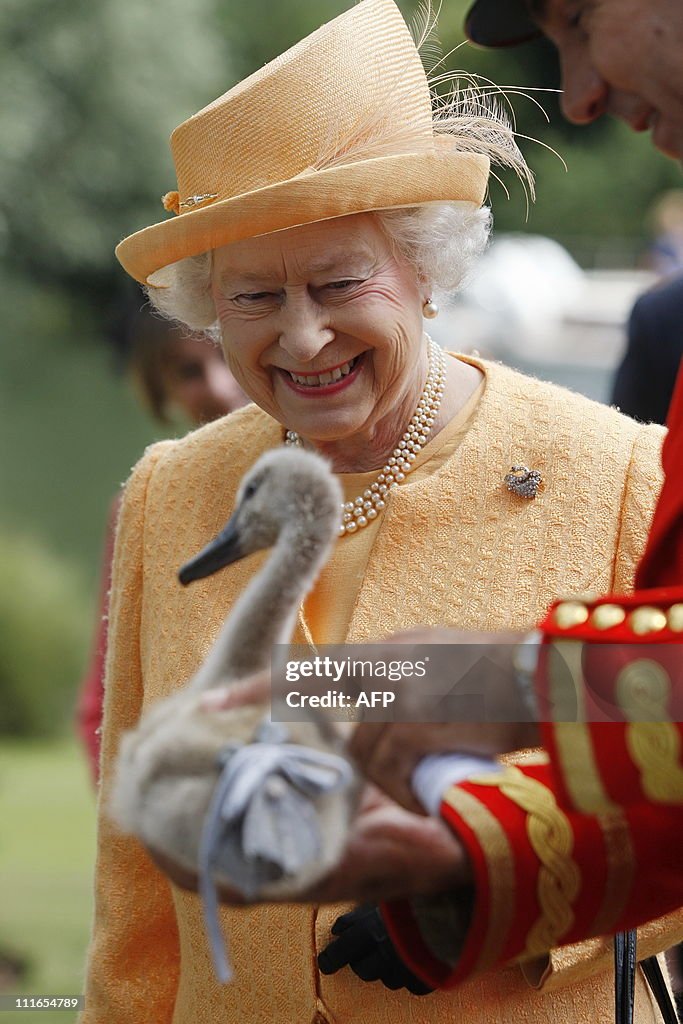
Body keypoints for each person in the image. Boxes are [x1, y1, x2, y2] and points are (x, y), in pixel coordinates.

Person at [81, 0, 681, 1021]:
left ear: (425, 269)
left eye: (338, 281)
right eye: (254, 299)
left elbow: (667, 808)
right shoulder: (168, 492)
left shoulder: (617, 471)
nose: (304, 339)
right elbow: (136, 885)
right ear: (206, 308)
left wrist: (489, 900)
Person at [75, 303, 247, 784]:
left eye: (225, 355)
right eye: (189, 371)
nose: (217, 385)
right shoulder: (144, 503)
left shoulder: (337, 473)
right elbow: (108, 689)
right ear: (161, 389)